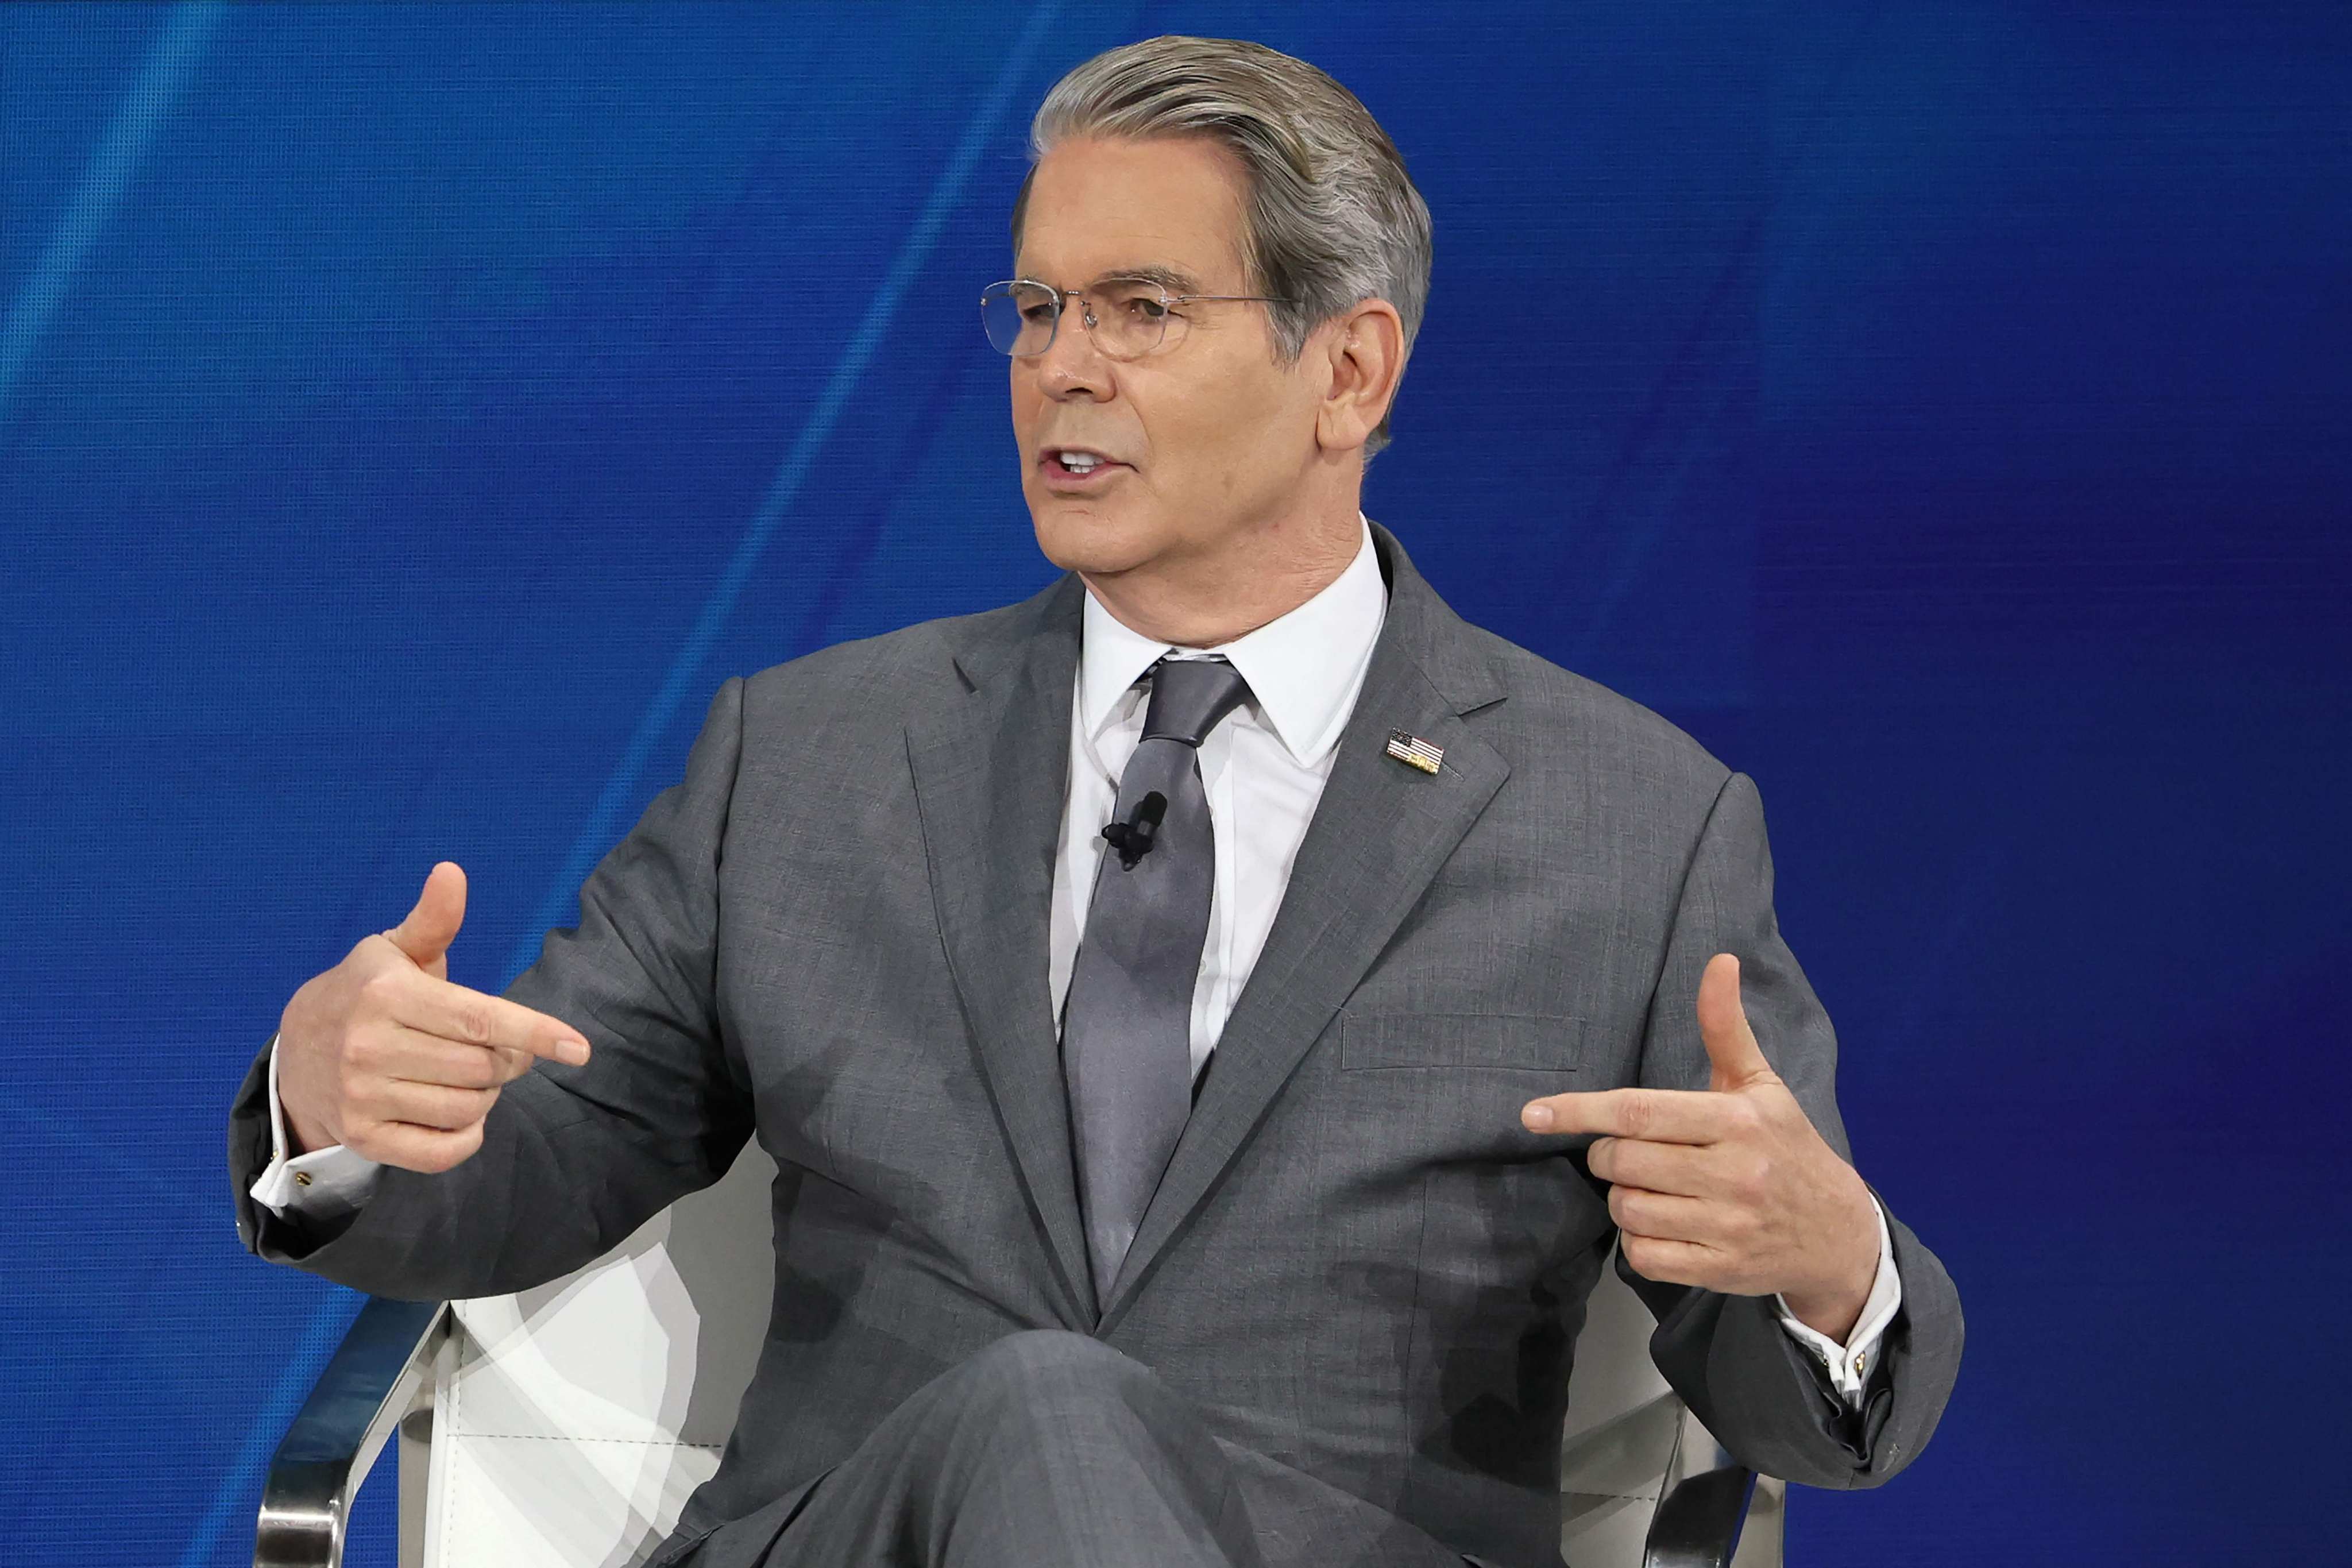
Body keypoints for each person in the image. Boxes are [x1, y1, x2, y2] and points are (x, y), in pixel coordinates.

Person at [228, 35, 1961, 1568]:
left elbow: (1806, 1410)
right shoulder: (814, 755)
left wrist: (1826, 1266)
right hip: (864, 1535)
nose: (1063, 366)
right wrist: (338, 1096)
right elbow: (543, 1151)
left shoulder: (1624, 828)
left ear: (1349, 371)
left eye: (1142, 309)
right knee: (1053, 1404)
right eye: (1038, 308)